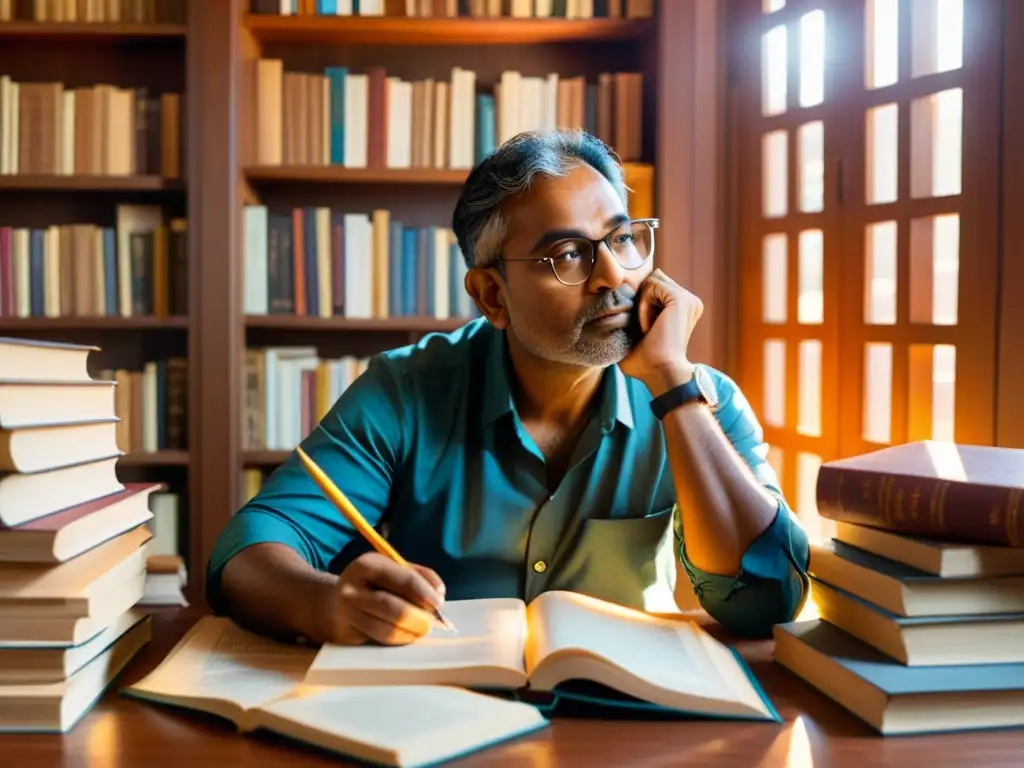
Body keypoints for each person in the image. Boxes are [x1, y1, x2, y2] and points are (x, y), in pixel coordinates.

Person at [207, 129, 810, 647]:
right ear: (492, 295)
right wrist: (325, 605)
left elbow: (765, 600)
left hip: (627, 721)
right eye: (568, 255)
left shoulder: (703, 402)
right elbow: (245, 554)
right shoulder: (405, 391)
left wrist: (673, 385)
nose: (613, 276)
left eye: (623, 240)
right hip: (443, 710)